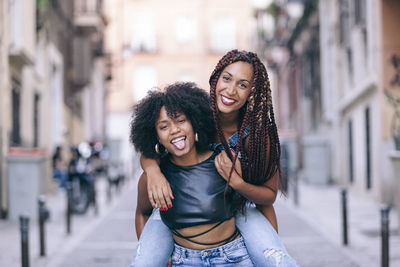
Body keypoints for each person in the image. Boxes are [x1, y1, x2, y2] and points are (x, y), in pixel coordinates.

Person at [133, 50, 297, 266]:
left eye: (242, 84)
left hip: (236, 204)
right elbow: (152, 148)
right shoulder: (196, 116)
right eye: (227, 78)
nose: (230, 90)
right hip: (179, 205)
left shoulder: (256, 138)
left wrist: (237, 183)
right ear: (215, 78)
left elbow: (267, 199)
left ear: (251, 92)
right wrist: (152, 172)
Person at [131, 82, 254, 266]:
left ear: (194, 122)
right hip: (184, 261)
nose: (174, 130)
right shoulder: (155, 176)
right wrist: (158, 256)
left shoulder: (223, 162)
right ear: (155, 136)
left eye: (181, 121)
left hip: (234, 257)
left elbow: (255, 203)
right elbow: (142, 213)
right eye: (164, 127)